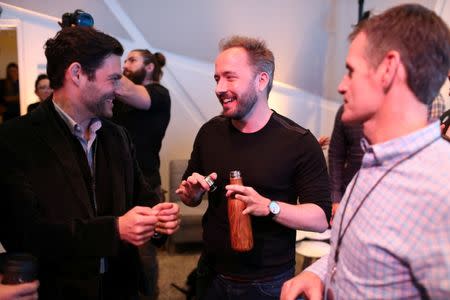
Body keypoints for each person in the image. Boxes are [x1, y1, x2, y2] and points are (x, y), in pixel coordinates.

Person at [281, 4, 450, 299]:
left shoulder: (440, 192)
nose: (341, 85)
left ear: (388, 69)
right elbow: (356, 251)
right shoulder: (375, 159)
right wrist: (317, 273)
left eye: (350, 71)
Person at [0, 27, 180, 300]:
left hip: (122, 288)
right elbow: (25, 234)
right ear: (77, 74)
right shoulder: (15, 139)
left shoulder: (117, 135)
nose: (118, 88)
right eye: (113, 79)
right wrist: (115, 229)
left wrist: (158, 218)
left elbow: (140, 196)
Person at [176, 35, 331, 300]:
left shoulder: (299, 142)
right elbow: (193, 194)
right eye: (216, 78)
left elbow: (319, 218)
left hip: (266, 284)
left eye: (230, 77)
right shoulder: (209, 132)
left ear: (261, 80)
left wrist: (269, 206)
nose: (219, 88)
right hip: (210, 273)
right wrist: (192, 195)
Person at [113, 49, 171, 300]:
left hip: (145, 183)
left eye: (131, 60)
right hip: (115, 182)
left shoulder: (158, 94)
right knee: (117, 246)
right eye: (124, 60)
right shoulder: (121, 99)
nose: (126, 65)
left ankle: (150, 297)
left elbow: (126, 89)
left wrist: (102, 62)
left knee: (144, 252)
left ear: (148, 67)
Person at [327, 104, 364, 223]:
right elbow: (336, 155)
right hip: (347, 196)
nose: (342, 88)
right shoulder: (345, 110)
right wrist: (335, 198)